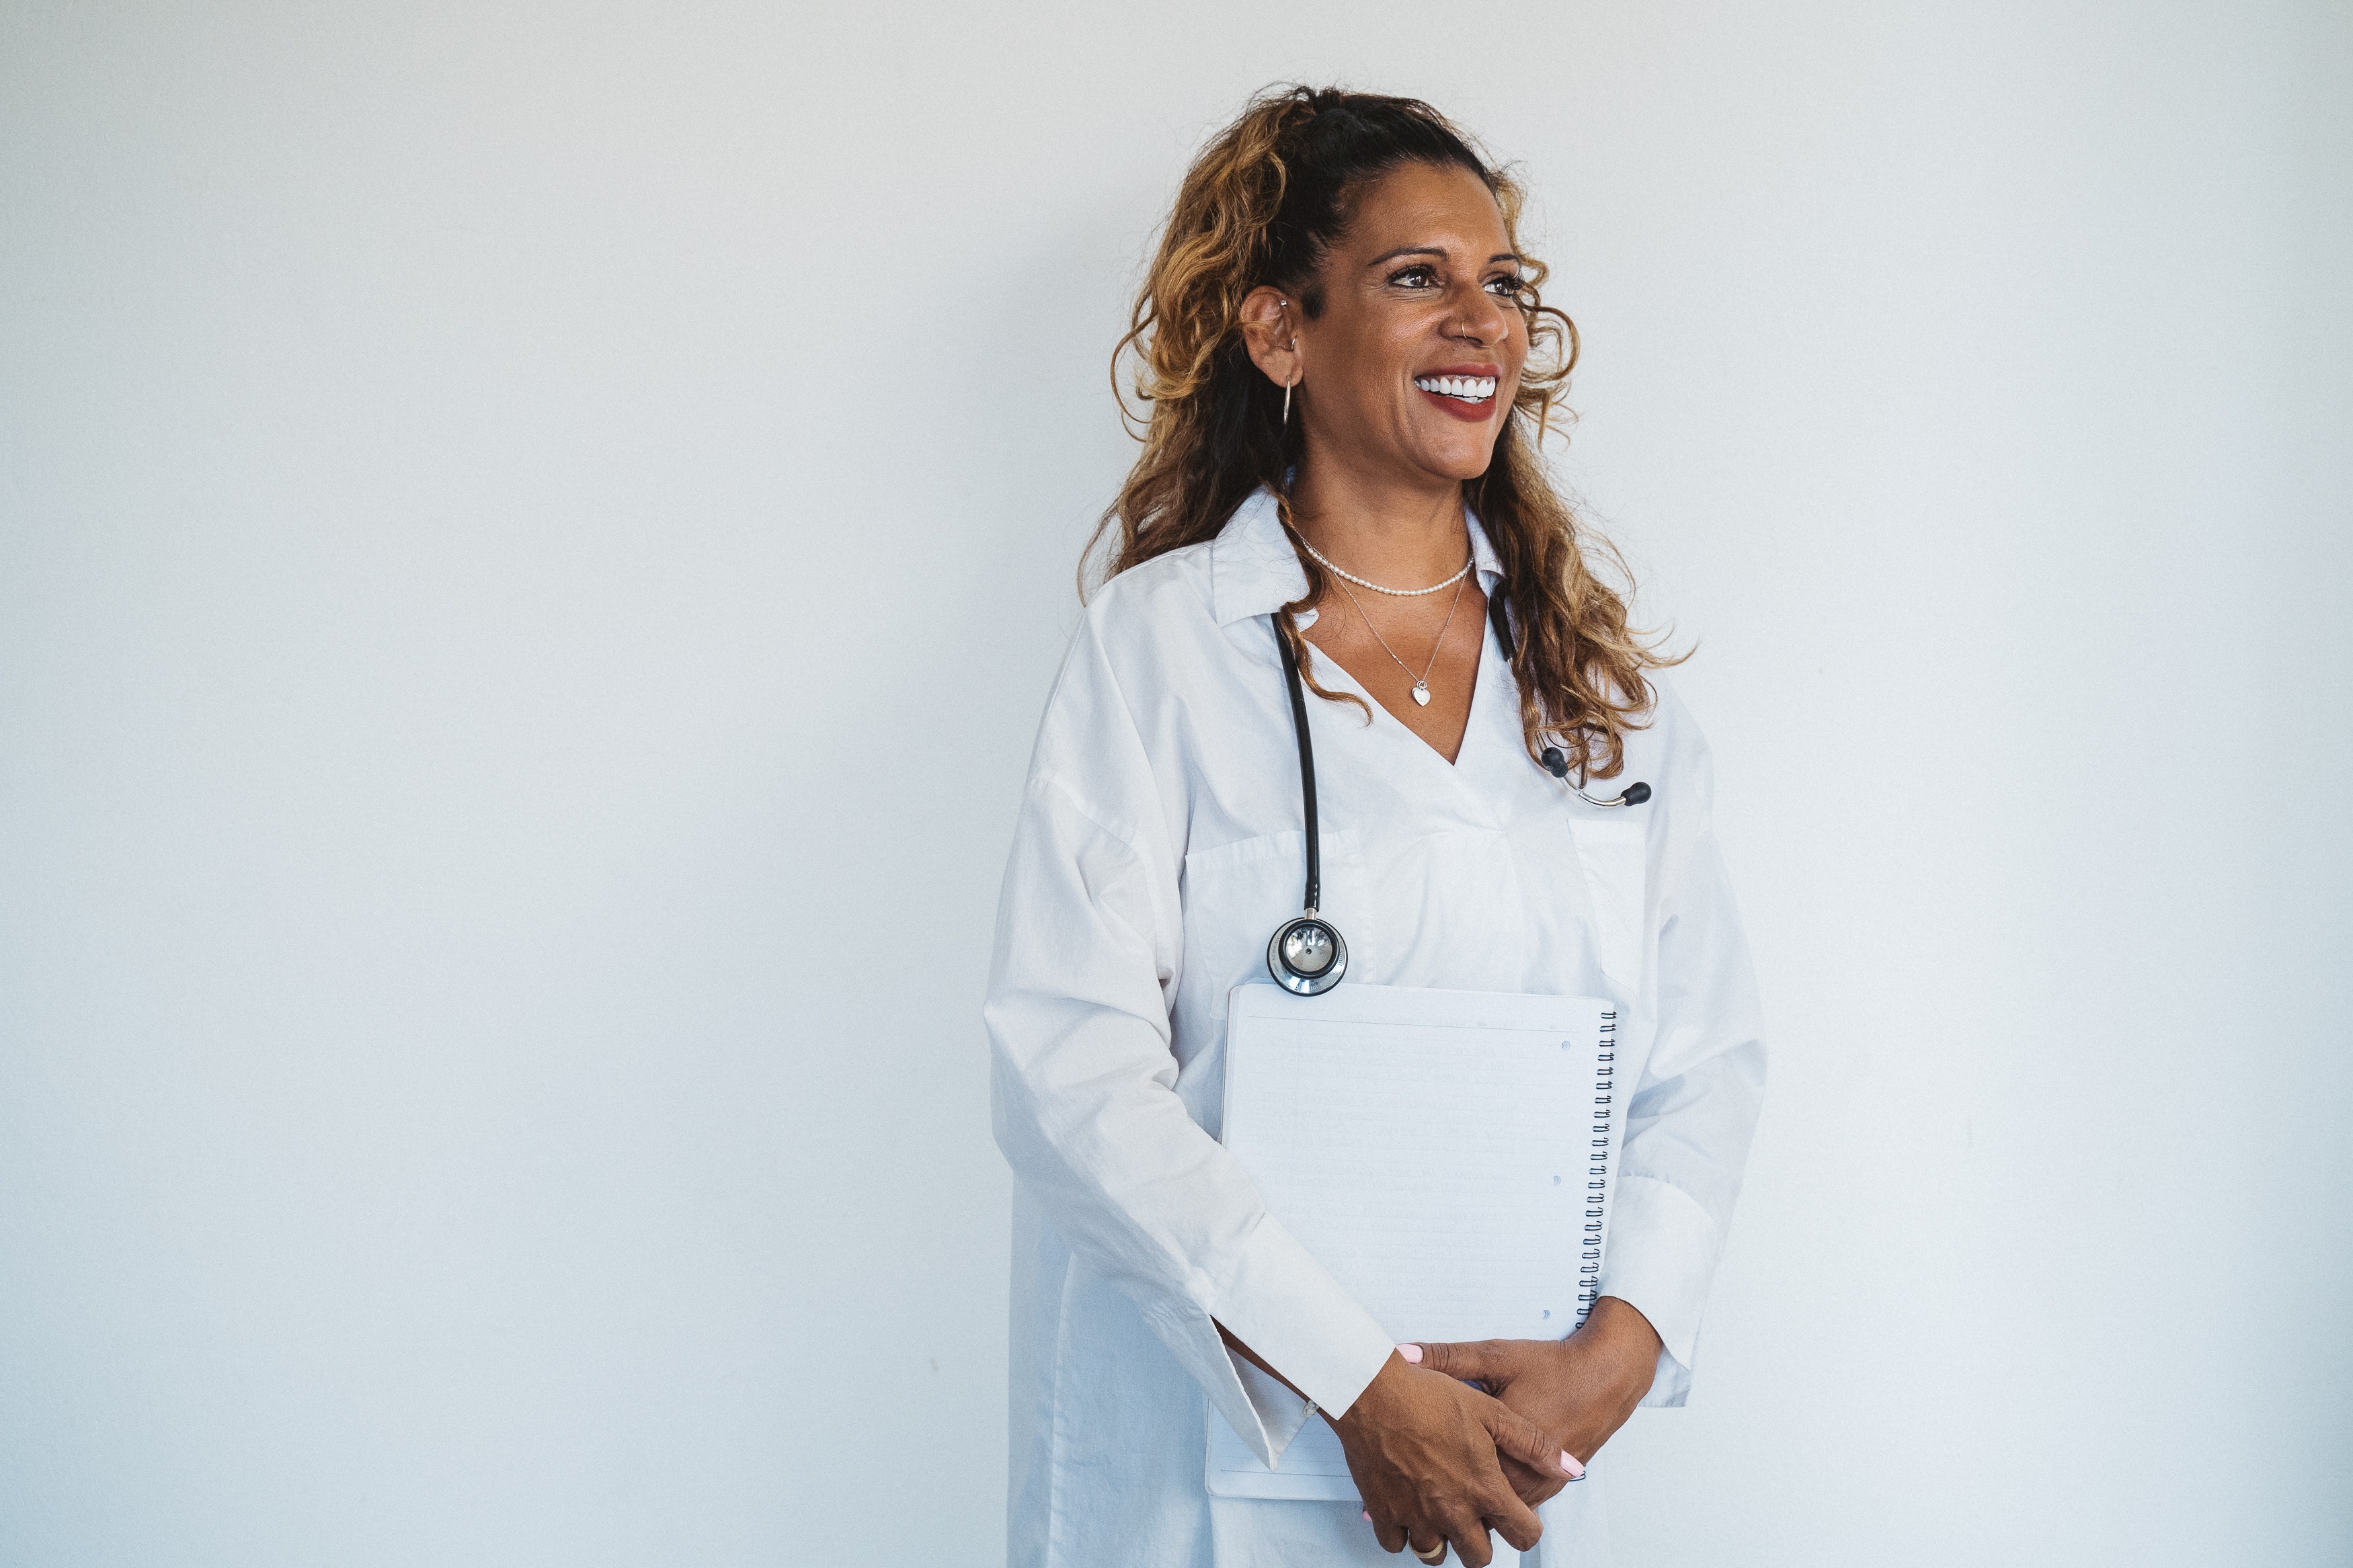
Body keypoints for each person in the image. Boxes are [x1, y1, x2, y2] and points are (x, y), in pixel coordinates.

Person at [986, 85, 1765, 1568]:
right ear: (1280, 333)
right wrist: (1355, 1380)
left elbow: (1703, 1065)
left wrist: (1619, 1351)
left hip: (1511, 1451)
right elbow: (1067, 1071)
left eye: (1502, 284)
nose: (1480, 320)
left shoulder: (1598, 691)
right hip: (1208, 1459)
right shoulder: (1156, 652)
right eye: (1418, 278)